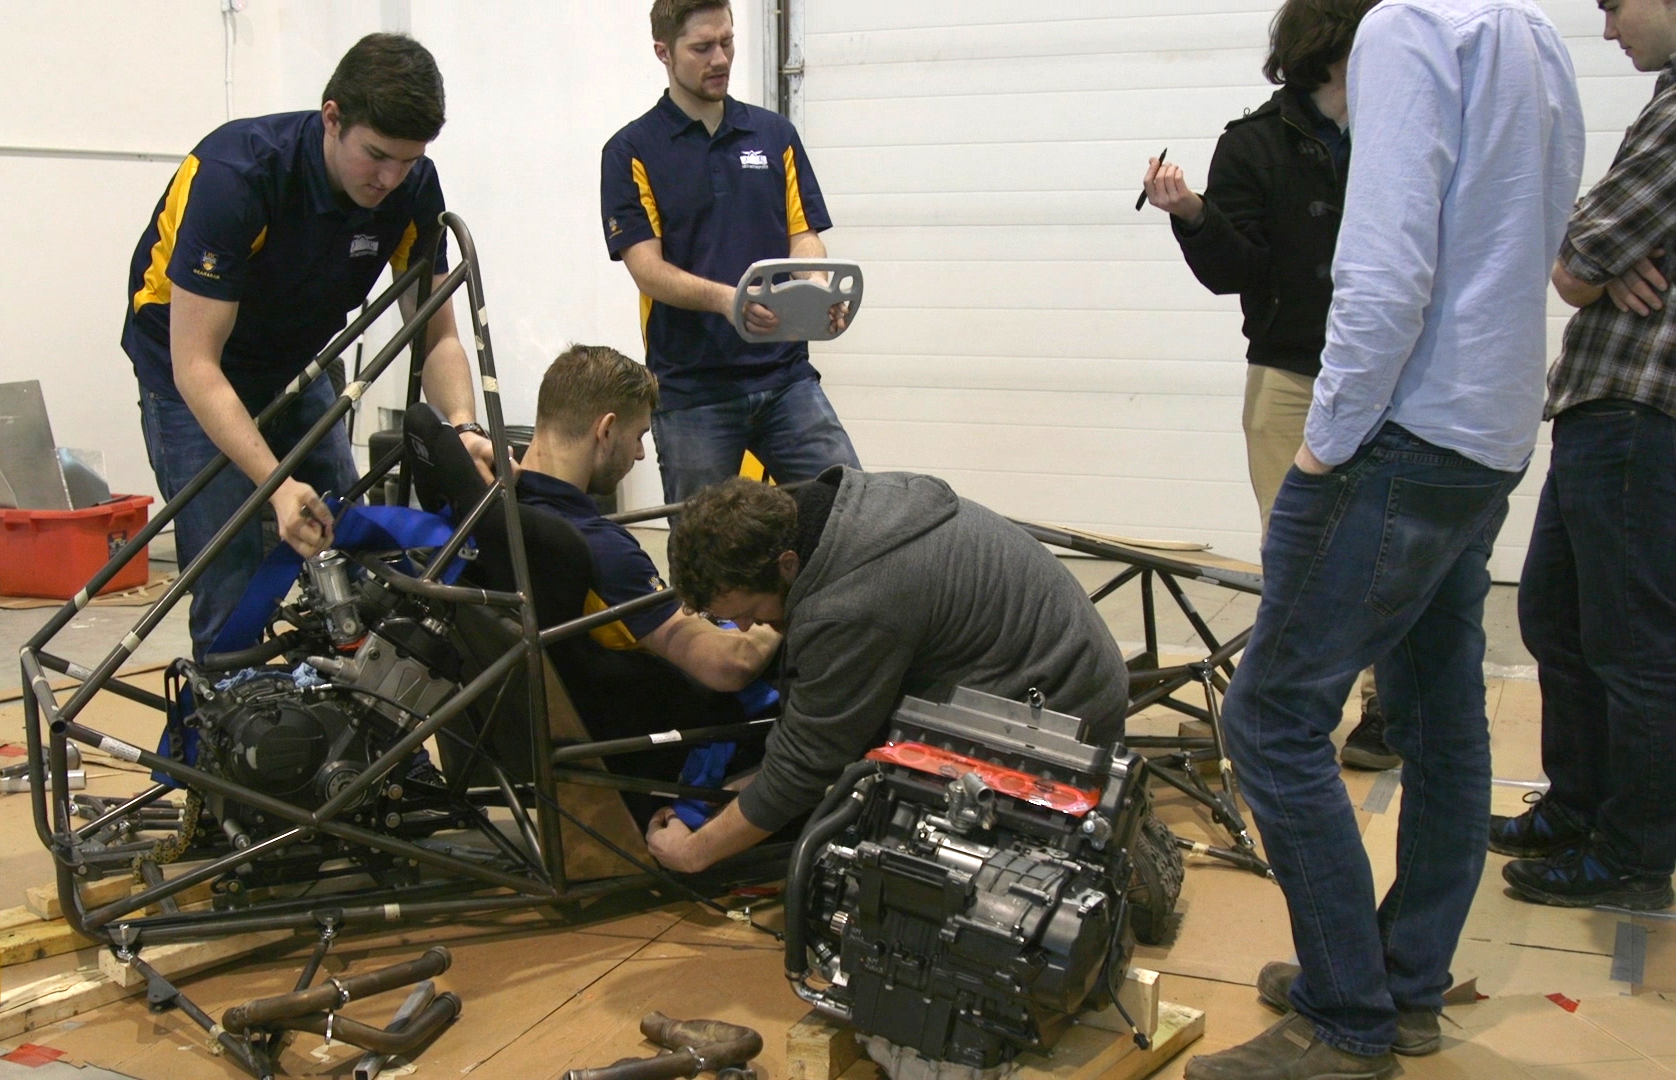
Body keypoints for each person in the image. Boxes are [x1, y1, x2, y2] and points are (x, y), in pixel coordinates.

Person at [1185, 0, 1586, 1075]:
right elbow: (1544, 227)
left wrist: (1323, 446)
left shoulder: (1405, 27)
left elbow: (1384, 262)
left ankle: (1344, 1015)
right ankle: (1396, 982)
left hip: (1397, 435)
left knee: (1269, 721)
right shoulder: (1531, 34)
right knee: (1445, 723)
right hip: (1488, 431)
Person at [122, 33, 494, 660]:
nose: (390, 178)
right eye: (377, 156)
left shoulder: (410, 185)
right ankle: (232, 729)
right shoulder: (235, 178)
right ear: (332, 118)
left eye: (408, 161)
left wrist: (462, 427)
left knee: (352, 537)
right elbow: (196, 367)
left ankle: (353, 721)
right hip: (192, 377)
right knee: (232, 578)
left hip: (295, 364)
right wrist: (275, 483)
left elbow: (439, 337)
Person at [642, 469, 1131, 874]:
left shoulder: (849, 604)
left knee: (876, 871)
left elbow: (805, 766)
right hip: (1060, 675)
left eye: (747, 610)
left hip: (1061, 726)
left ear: (787, 565)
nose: (745, 627)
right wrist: (732, 796)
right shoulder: (843, 510)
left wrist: (694, 853)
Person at [1141, 0, 1395, 772]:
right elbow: (1235, 272)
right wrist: (1191, 213)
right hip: (1291, 375)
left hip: (1394, 375)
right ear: (1334, 47)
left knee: (1391, 548)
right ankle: (1284, 717)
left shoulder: (1404, 130)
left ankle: (1385, 709)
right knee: (1300, 553)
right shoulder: (1253, 143)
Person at [1488, 0, 1676, 913]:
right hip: (1602, 403)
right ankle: (1580, 806)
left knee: (1632, 645)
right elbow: (1592, 250)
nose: (1607, 31)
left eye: (1615, 6)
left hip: (1641, 411)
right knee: (1557, 616)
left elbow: (1577, 258)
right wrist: (1596, 257)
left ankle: (1634, 855)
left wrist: (1591, 260)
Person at [600, 0, 860, 505]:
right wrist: (728, 300)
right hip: (692, 391)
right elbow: (647, 270)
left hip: (786, 378)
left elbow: (803, 235)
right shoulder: (631, 151)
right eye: (702, 47)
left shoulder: (774, 135)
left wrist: (815, 283)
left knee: (851, 507)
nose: (720, 58)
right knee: (708, 554)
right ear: (663, 52)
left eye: (727, 41)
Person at [516, 343, 781, 692]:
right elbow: (730, 664)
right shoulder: (602, 549)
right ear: (607, 430)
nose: (641, 454)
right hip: (676, 723)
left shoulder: (499, 500)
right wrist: (777, 612)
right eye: (639, 435)